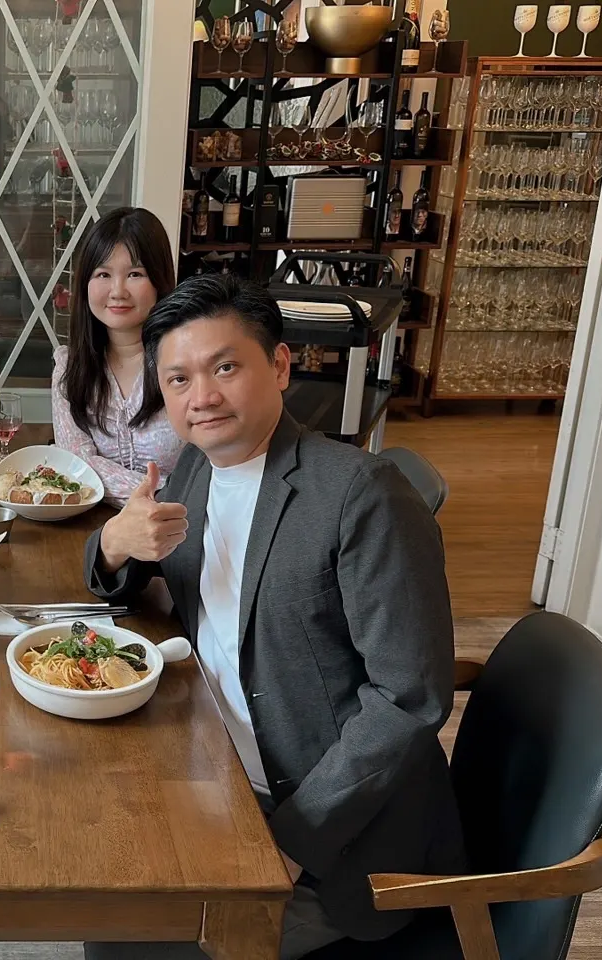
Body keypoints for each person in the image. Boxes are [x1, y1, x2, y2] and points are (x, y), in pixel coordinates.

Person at [81, 274, 466, 959]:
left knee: (135, 939)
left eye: (225, 368)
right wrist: (115, 544)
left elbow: (409, 698)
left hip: (337, 842)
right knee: (105, 885)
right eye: (178, 380)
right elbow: (152, 568)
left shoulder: (360, 496)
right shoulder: (197, 469)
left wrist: (292, 843)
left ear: (280, 366)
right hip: (223, 773)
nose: (201, 397)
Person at [52, 206, 185, 504]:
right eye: (103, 274)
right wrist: (165, 494)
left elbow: (210, 467)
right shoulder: (69, 367)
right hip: (96, 526)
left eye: (135, 274)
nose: (117, 291)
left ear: (159, 281)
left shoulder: (187, 363)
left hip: (185, 524)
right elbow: (76, 466)